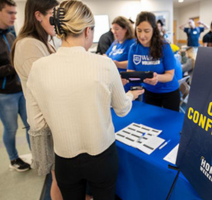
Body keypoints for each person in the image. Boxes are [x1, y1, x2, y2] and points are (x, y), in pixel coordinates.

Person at [25, 1, 143, 199]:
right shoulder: (104, 64)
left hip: (64, 158)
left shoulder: (38, 68)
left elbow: (36, 123)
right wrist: (131, 94)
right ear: (88, 31)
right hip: (102, 156)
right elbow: (122, 109)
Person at [11, 0, 63, 199]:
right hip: (46, 125)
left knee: (60, 177)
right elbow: (49, 87)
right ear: (38, 15)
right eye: (53, 13)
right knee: (58, 179)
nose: (58, 20)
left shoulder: (43, 40)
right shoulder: (29, 45)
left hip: (51, 121)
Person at [0, 0, 31, 172]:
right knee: (10, 129)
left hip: (21, 90)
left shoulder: (12, 35)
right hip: (5, 94)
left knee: (30, 125)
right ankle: (13, 159)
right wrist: (14, 65)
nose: (14, 16)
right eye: (9, 12)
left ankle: (36, 154)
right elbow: (12, 64)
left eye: (15, 12)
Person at [128, 11, 180, 111]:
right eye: (139, 30)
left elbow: (170, 75)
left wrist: (157, 78)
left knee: (169, 124)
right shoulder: (133, 48)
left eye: (146, 31)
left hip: (169, 92)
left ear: (154, 30)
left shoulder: (164, 46)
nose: (142, 35)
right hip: (149, 92)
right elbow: (131, 73)